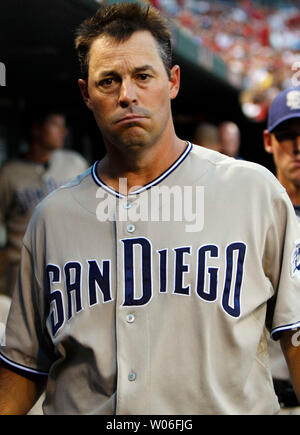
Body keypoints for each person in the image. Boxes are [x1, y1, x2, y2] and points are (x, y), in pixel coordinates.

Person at [0, 2, 300, 415]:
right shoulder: (52, 217)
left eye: (143, 76)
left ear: (173, 81)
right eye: (108, 81)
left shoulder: (253, 191)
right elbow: (23, 366)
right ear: (86, 94)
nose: (127, 95)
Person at [0, 109, 89, 298]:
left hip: (68, 265)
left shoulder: (75, 163)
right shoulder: (10, 173)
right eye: (55, 124)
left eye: (64, 126)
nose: (63, 132)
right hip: (22, 269)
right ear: (36, 130)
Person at [263, 86, 300, 414]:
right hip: (269, 398)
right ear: (268, 141)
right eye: (287, 135)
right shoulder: (247, 217)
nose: (298, 147)